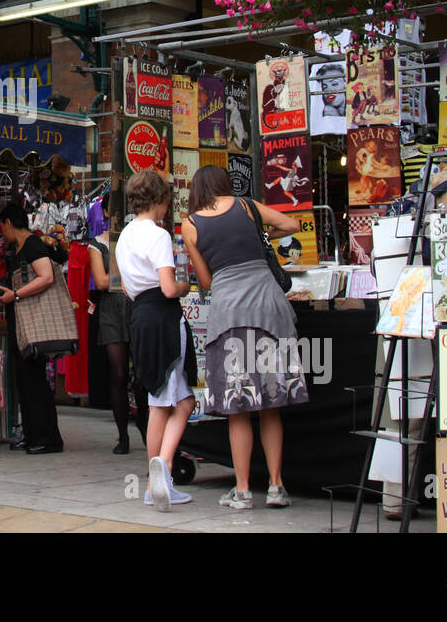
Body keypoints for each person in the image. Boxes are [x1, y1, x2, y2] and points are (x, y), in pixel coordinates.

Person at [181, 166, 308, 512]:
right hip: (270, 306)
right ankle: (276, 486)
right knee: (270, 404)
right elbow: (292, 225)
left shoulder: (190, 224)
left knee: (239, 409)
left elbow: (205, 281)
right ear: (225, 183)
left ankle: (242, 490)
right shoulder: (248, 206)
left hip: (231, 314)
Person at [116, 170, 194, 511]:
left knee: (156, 400)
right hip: (163, 315)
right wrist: (185, 286)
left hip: (138, 316)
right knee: (184, 400)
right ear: (160, 201)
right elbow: (166, 287)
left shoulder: (123, 237)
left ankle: (153, 484)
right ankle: (162, 466)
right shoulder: (159, 235)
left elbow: (125, 286)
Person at [0, 203, 64, 454]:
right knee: (25, 378)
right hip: (22, 321)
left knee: (34, 379)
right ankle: (33, 433)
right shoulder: (19, 247)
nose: (2, 232)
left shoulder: (33, 244)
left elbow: (46, 277)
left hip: (33, 322)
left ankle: (47, 437)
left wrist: (16, 295)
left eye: (3, 226)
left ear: (9, 223)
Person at [88, 217, 147, 454]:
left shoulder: (137, 238)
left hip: (135, 306)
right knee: (119, 373)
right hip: (112, 310)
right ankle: (123, 435)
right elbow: (101, 281)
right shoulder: (97, 244)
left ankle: (145, 426)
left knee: (143, 374)